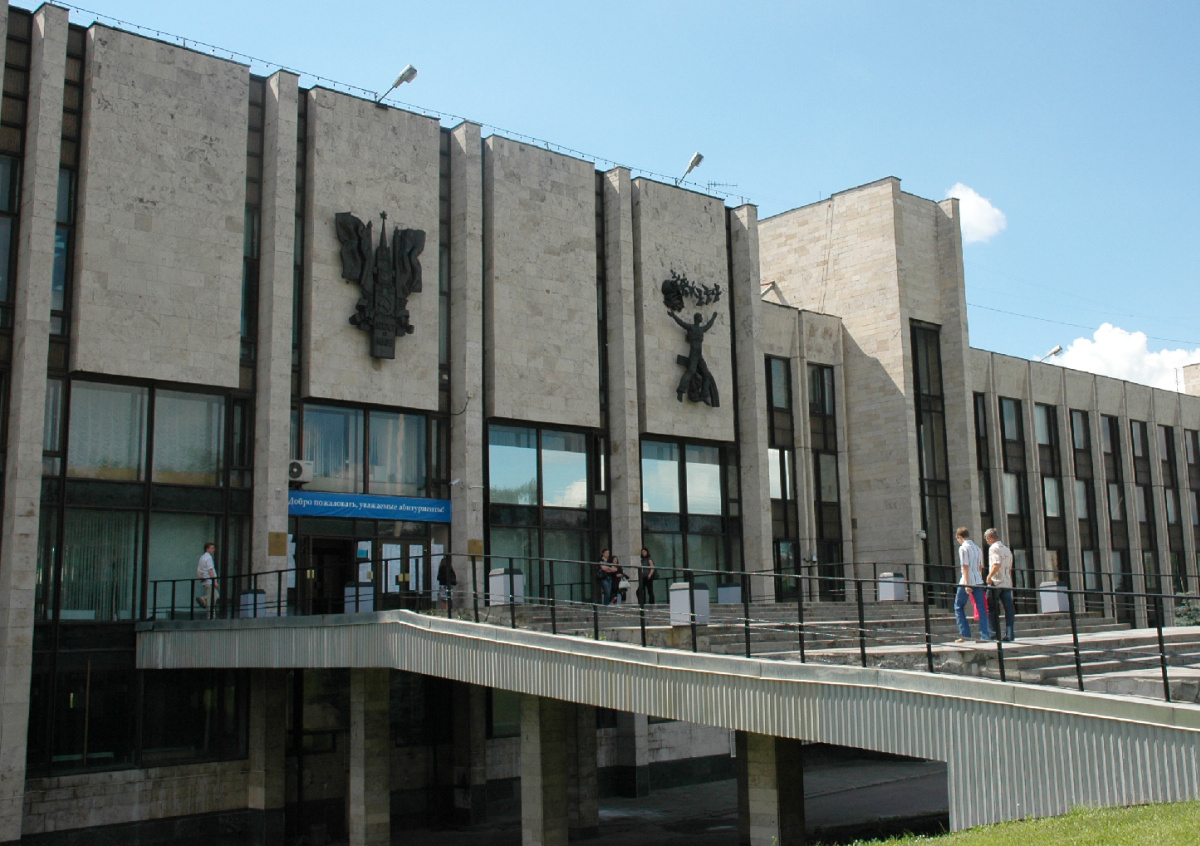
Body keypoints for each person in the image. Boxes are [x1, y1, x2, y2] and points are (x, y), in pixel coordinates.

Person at [953, 527, 990, 642]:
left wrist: (967, 584)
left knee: (958, 606)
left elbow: (965, 566)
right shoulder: (978, 548)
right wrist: (978, 577)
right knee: (981, 608)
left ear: (959, 537)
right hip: (978, 580)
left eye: (958, 539)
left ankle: (965, 634)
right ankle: (985, 635)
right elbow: (980, 566)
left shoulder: (963, 548)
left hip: (966, 581)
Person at [984, 528, 1016, 642]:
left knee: (991, 608)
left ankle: (993, 634)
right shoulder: (1007, 549)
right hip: (1006, 582)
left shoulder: (993, 548)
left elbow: (996, 563)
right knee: (1008, 609)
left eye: (986, 539)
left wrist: (989, 576)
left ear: (990, 538)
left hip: (996, 582)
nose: (986, 541)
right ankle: (1010, 634)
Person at [196, 541, 217, 617]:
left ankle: (204, 599)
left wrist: (201, 576)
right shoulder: (208, 558)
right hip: (209, 581)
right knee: (212, 598)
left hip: (205, 581)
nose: (214, 550)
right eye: (212, 548)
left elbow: (198, 570)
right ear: (207, 549)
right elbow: (210, 570)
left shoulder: (202, 557)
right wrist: (214, 582)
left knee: (214, 596)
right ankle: (211, 616)